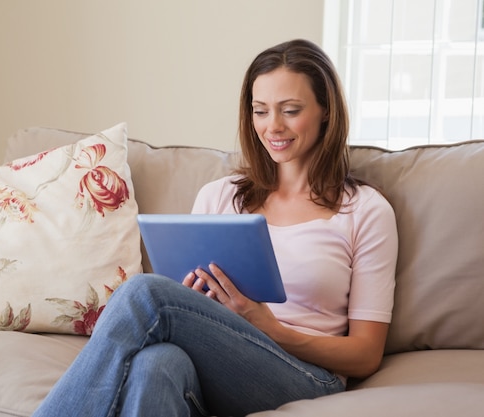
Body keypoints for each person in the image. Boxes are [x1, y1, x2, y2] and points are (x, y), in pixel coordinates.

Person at [32, 38, 398, 417]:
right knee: (156, 364)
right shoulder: (219, 197)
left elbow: (366, 354)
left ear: (325, 111)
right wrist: (201, 303)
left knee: (146, 294)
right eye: (260, 111)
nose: (273, 126)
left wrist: (273, 329)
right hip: (220, 359)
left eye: (290, 110)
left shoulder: (365, 210)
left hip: (306, 375)